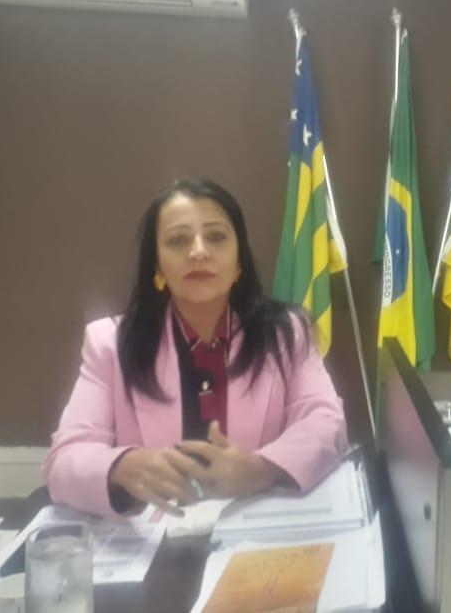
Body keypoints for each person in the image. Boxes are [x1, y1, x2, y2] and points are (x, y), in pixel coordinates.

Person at [45, 178, 347, 517]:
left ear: (239, 263)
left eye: (216, 237)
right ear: (157, 267)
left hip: (254, 528)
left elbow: (326, 423)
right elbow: (63, 459)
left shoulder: (285, 333)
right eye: (178, 240)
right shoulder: (110, 343)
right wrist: (120, 466)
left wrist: (261, 469)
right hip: (152, 534)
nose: (198, 252)